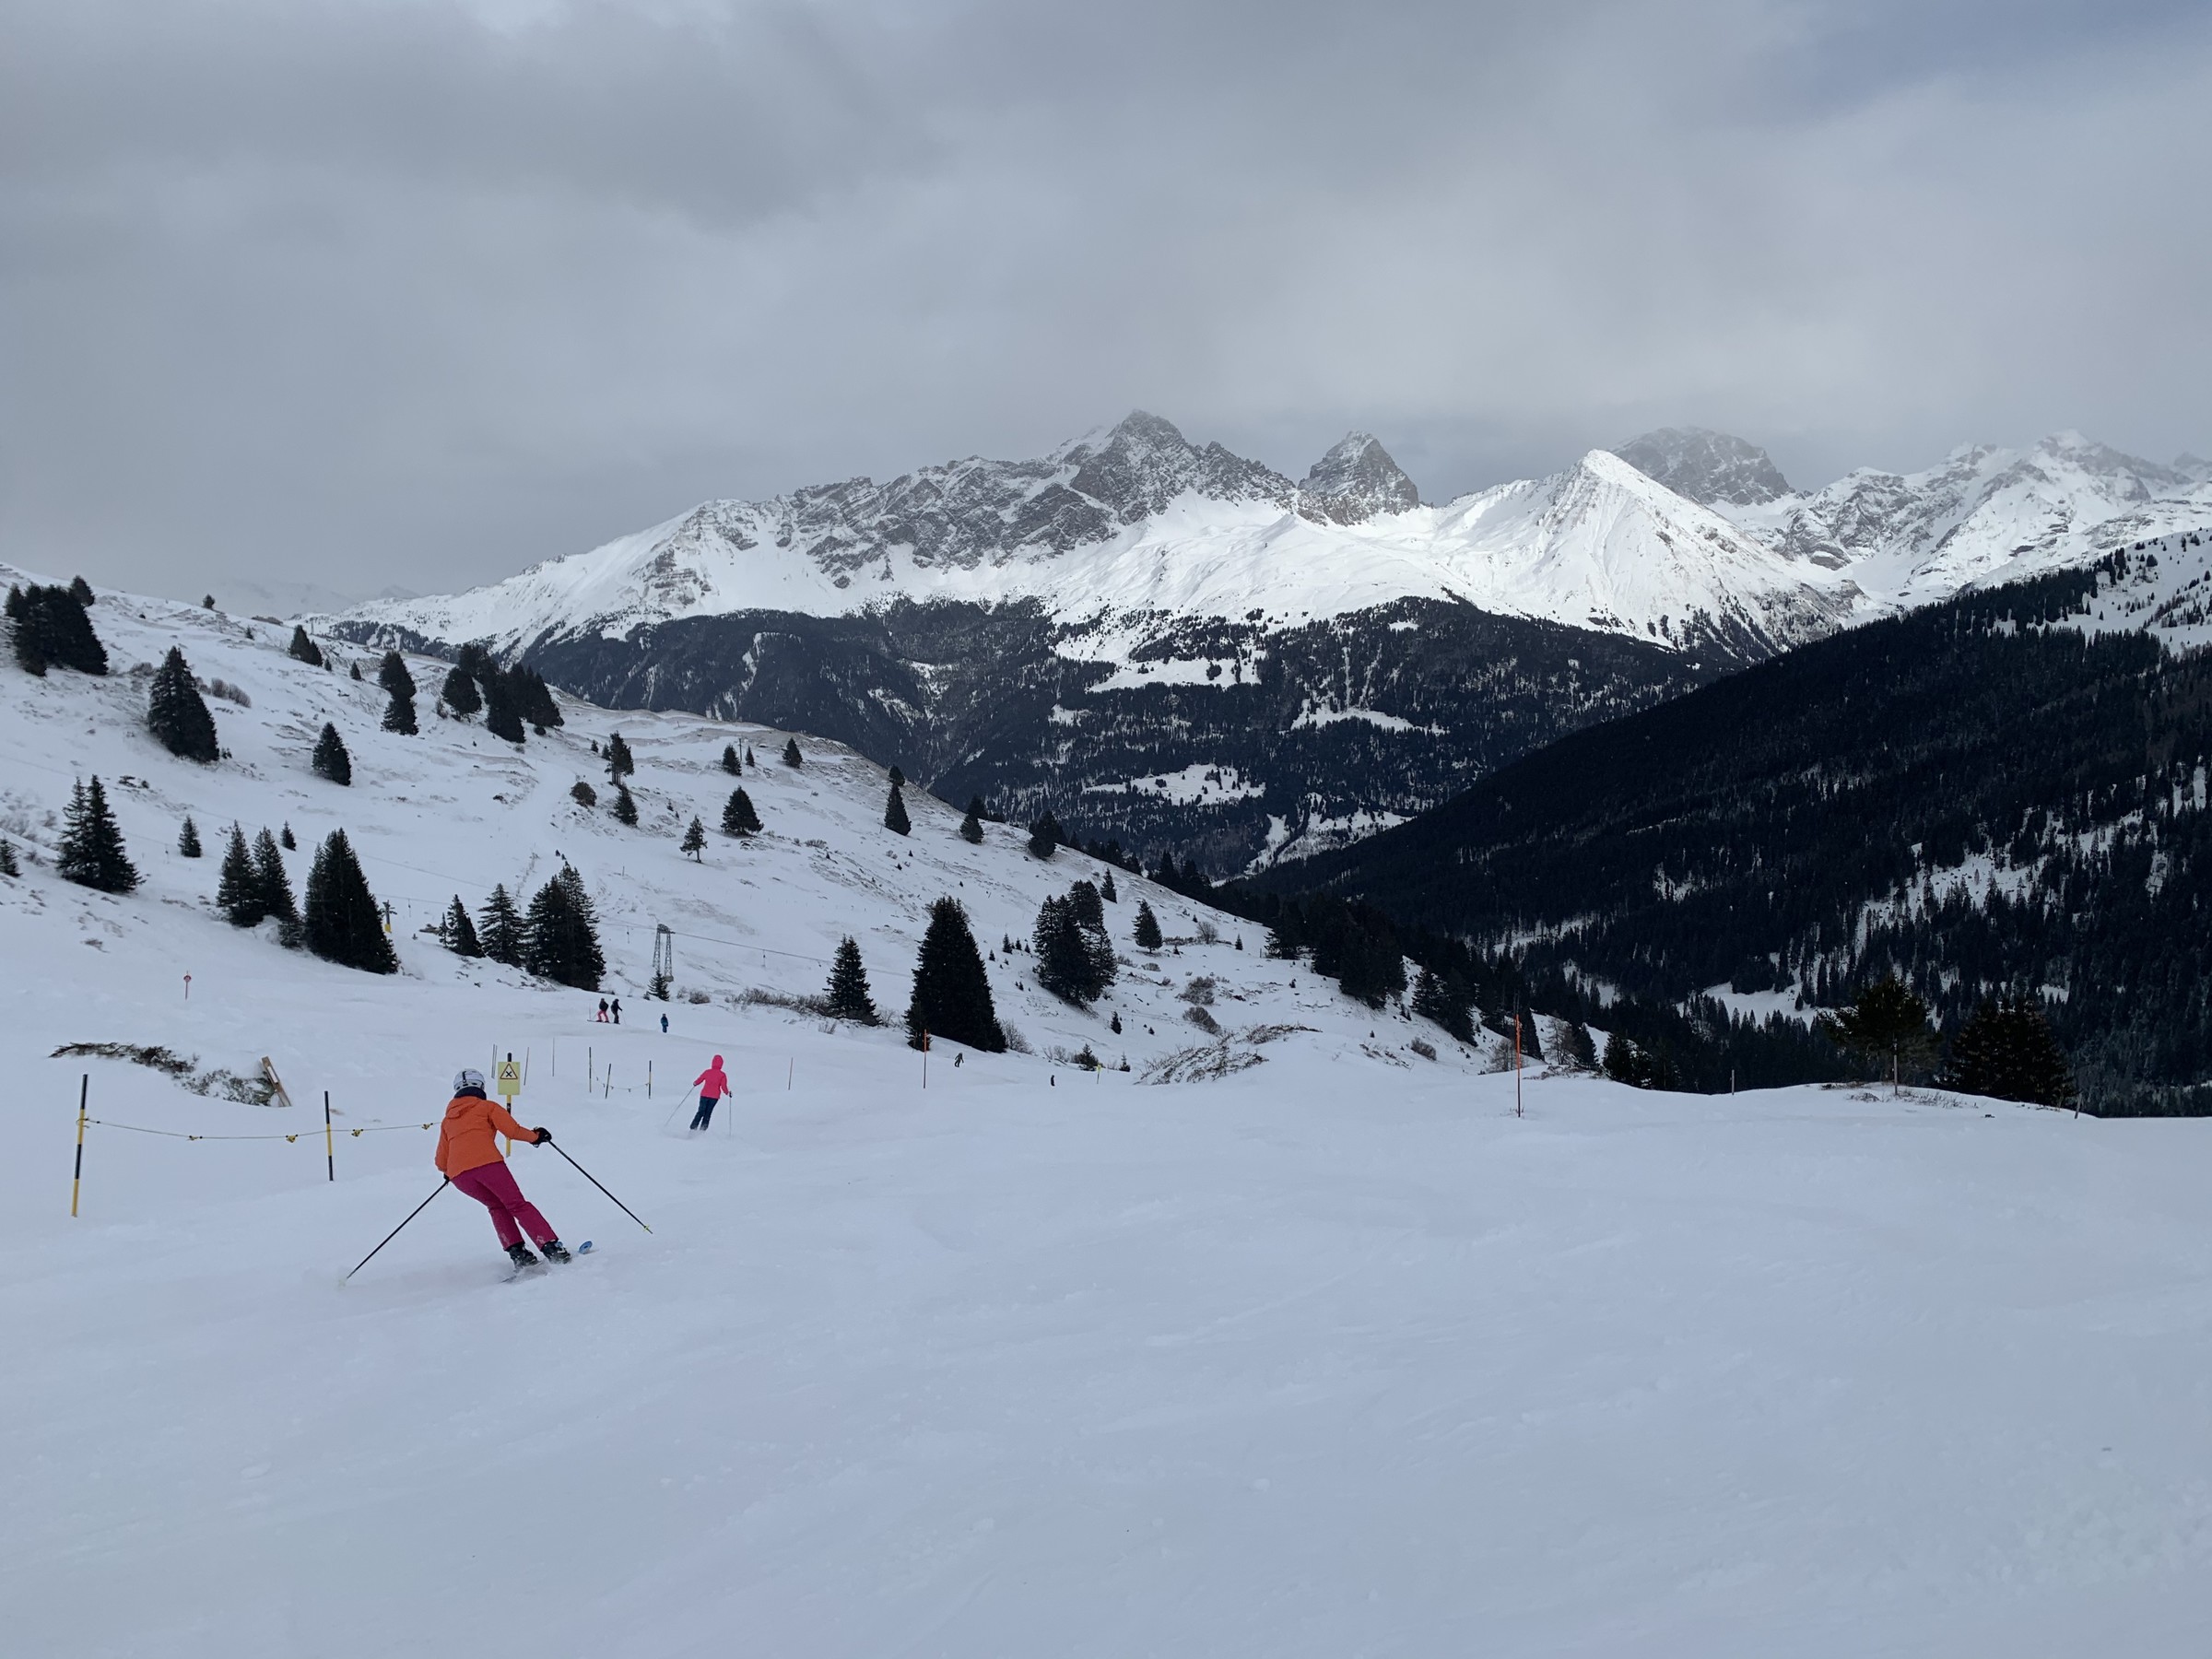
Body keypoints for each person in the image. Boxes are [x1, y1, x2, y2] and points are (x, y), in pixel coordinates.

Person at [435, 1068, 571, 1269]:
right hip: (488, 1165)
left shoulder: (447, 1120)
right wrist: (536, 1136)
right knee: (517, 1205)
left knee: (496, 1206)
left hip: (460, 1177)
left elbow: (441, 1161)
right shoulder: (487, 1107)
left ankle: (519, 1255)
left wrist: (449, 1171)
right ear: (481, 1087)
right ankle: (552, 1248)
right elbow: (512, 1131)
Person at [689, 1054, 731, 1131]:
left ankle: (693, 1128)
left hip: (704, 1095)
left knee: (700, 1111)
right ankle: (702, 1130)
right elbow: (723, 1086)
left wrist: (695, 1083)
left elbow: (700, 1079)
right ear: (721, 1064)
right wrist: (727, 1093)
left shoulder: (707, 1072)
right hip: (714, 1097)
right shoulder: (722, 1075)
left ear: (712, 1062)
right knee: (708, 1113)